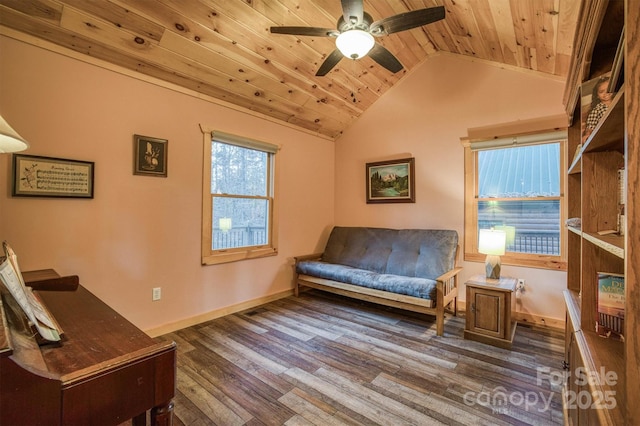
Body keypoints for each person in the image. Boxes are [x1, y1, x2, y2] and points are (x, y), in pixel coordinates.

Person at [583, 76, 613, 142]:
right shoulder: (597, 110)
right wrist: (587, 135)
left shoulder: (619, 102)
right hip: (605, 136)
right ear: (597, 95)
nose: (606, 93)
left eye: (608, 89)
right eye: (601, 91)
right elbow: (590, 127)